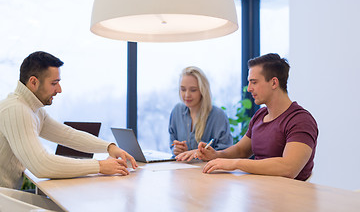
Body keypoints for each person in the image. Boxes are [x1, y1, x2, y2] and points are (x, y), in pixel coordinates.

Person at [0, 51, 138, 189]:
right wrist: (100, 166)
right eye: (54, 83)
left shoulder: (33, 109)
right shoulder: (16, 110)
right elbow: (41, 165)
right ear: (33, 82)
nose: (59, 90)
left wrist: (109, 147)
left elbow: (68, 135)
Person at [195, 53, 318, 181]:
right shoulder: (260, 115)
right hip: (260, 190)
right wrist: (216, 155)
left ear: (274, 83)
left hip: (290, 196)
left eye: (254, 82)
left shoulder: (301, 120)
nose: (249, 89)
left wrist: (236, 164)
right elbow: (241, 150)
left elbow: (289, 168)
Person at [168, 66, 232, 161]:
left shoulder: (218, 116)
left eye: (193, 90)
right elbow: (172, 143)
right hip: (182, 170)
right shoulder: (177, 111)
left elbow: (225, 153)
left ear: (202, 90)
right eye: (183, 89)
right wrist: (177, 150)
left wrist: (202, 154)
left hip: (208, 172)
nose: (187, 95)